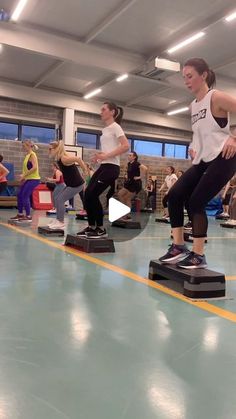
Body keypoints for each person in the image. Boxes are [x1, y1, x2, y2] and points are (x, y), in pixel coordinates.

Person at [159, 57, 236, 269]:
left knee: (196, 202)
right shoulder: (192, 106)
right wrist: (194, 147)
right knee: (173, 196)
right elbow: (201, 133)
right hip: (203, 159)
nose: (186, 81)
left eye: (190, 76)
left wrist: (233, 137)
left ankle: (199, 255)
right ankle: (178, 247)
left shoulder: (216, 97)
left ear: (203, 76)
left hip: (224, 157)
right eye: (184, 77)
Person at [77, 101, 129, 238]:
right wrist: (100, 157)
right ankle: (91, 226)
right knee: (87, 193)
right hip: (104, 165)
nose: (101, 112)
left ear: (112, 112)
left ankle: (101, 229)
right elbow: (109, 149)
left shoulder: (116, 127)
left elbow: (125, 146)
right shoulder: (105, 130)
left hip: (112, 168)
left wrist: (106, 155)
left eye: (103, 109)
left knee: (93, 194)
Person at [48, 141, 88, 230]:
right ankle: (58, 220)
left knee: (60, 199)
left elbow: (78, 158)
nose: (49, 151)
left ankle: (61, 222)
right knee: (58, 199)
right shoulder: (59, 158)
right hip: (71, 184)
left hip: (76, 185)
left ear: (56, 149)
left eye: (50, 149)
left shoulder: (64, 158)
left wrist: (85, 171)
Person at [10, 140, 40, 223]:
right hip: (28, 179)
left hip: (34, 179)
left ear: (29, 146)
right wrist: (23, 178)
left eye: (24, 146)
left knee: (25, 195)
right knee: (19, 195)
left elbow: (34, 168)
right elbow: (27, 169)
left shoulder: (32, 155)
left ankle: (28, 216)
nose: (23, 148)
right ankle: (20, 214)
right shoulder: (27, 155)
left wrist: (24, 175)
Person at [118, 152, 148, 219]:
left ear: (134, 157)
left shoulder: (136, 163)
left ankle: (126, 214)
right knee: (120, 194)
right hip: (129, 183)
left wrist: (140, 177)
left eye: (130, 155)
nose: (128, 156)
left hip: (135, 184)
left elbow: (145, 168)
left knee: (127, 198)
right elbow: (130, 172)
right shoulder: (129, 164)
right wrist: (127, 176)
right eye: (128, 155)